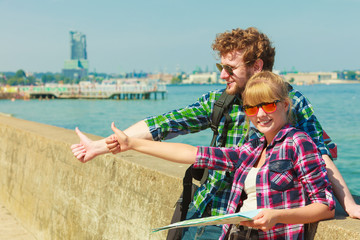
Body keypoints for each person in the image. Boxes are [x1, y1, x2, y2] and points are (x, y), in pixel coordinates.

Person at [71, 27, 360, 239]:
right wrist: (101, 146)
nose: (223, 75)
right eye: (221, 67)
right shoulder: (220, 103)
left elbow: (319, 154)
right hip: (213, 210)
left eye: (230, 68)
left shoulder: (290, 102)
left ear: (256, 66)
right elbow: (166, 124)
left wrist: (347, 203)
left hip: (262, 220)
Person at [108, 71, 335, 240]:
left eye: (268, 105)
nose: (260, 114)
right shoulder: (253, 147)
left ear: (285, 105)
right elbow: (195, 154)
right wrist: (132, 143)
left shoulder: (299, 143)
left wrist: (277, 216)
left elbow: (325, 206)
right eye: (252, 108)